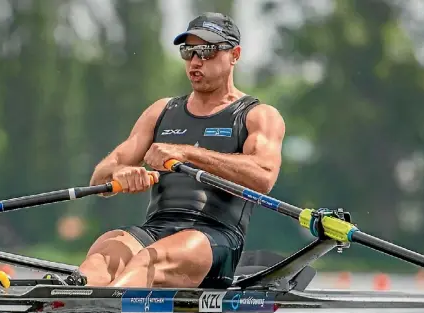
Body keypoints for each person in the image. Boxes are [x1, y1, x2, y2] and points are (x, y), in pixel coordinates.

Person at [61, 12, 286, 289]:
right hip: (155, 231)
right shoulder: (161, 111)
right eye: (188, 51)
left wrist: (188, 154)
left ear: (235, 55)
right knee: (103, 254)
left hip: (213, 239)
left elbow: (263, 177)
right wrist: (123, 173)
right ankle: (75, 301)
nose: (195, 60)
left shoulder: (257, 116)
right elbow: (99, 179)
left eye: (207, 50)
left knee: (148, 261)